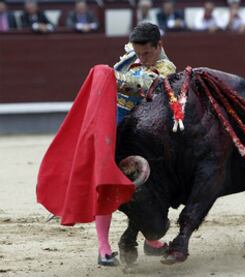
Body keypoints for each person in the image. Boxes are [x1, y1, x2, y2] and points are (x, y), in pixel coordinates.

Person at [95, 22, 176, 266]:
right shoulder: (130, 57)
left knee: (146, 189)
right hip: (111, 129)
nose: (142, 57)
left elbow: (143, 85)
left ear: (158, 46)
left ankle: (151, 240)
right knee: (106, 185)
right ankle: (104, 248)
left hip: (139, 135)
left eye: (147, 53)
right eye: (138, 52)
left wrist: (107, 74)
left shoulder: (166, 68)